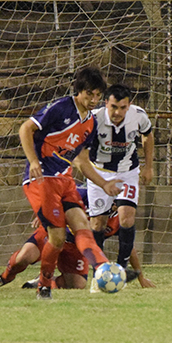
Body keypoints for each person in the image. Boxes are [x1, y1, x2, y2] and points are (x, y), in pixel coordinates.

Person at [18, 67, 123, 300]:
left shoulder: (91, 123)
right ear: (78, 91)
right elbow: (26, 128)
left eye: (98, 96)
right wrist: (33, 161)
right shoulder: (61, 107)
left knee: (82, 224)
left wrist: (104, 184)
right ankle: (42, 285)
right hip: (43, 178)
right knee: (55, 237)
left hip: (64, 180)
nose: (94, 100)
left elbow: (82, 161)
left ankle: (102, 269)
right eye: (89, 95)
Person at [0, 186, 155, 290]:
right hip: (55, 233)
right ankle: (4, 277)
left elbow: (128, 246)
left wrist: (140, 277)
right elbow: (57, 195)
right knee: (24, 258)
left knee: (78, 285)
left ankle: (45, 282)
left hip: (76, 249)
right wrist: (43, 211)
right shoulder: (85, 195)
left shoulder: (119, 219)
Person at [86, 83, 154, 292]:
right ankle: (98, 272)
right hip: (99, 172)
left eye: (122, 108)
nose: (117, 112)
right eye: (113, 107)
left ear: (129, 105)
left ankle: (121, 270)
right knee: (98, 224)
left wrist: (149, 167)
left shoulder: (139, 116)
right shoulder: (93, 118)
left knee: (126, 217)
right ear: (106, 103)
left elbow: (148, 136)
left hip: (127, 171)